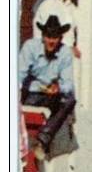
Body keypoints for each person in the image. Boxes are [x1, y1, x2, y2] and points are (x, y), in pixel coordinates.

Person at [18, 16, 77, 159]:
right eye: (49, 36)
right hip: (29, 92)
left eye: (55, 37)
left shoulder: (65, 53)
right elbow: (18, 74)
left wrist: (59, 88)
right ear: (43, 37)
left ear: (60, 38)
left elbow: (68, 83)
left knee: (69, 99)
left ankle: (42, 140)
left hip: (50, 94)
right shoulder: (30, 47)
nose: (51, 41)